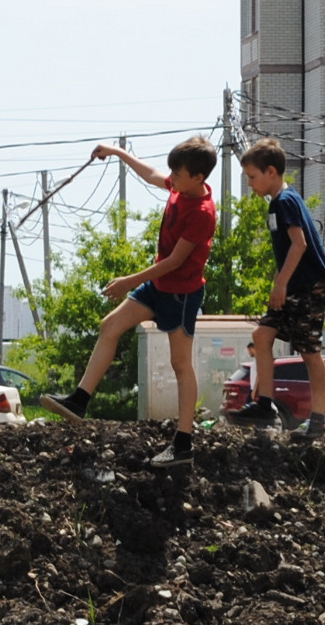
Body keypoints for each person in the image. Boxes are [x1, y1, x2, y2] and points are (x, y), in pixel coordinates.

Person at [45, 135, 219, 422]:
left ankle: (184, 437)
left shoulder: (203, 213)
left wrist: (129, 281)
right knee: (110, 326)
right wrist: (117, 152)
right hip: (158, 286)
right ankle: (79, 400)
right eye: (172, 171)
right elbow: (150, 174)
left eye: (177, 173)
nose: (171, 177)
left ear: (198, 177)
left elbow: (174, 262)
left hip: (182, 295)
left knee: (180, 364)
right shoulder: (179, 188)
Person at [227, 138, 325, 438]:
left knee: (309, 350)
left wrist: (281, 283)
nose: (250, 184)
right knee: (261, 335)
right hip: (292, 286)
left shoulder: (286, 201)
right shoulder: (276, 203)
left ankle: (317, 421)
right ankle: (264, 404)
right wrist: (280, 283)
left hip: (309, 286)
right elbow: (286, 250)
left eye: (252, 177)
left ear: (271, 172)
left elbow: (299, 245)